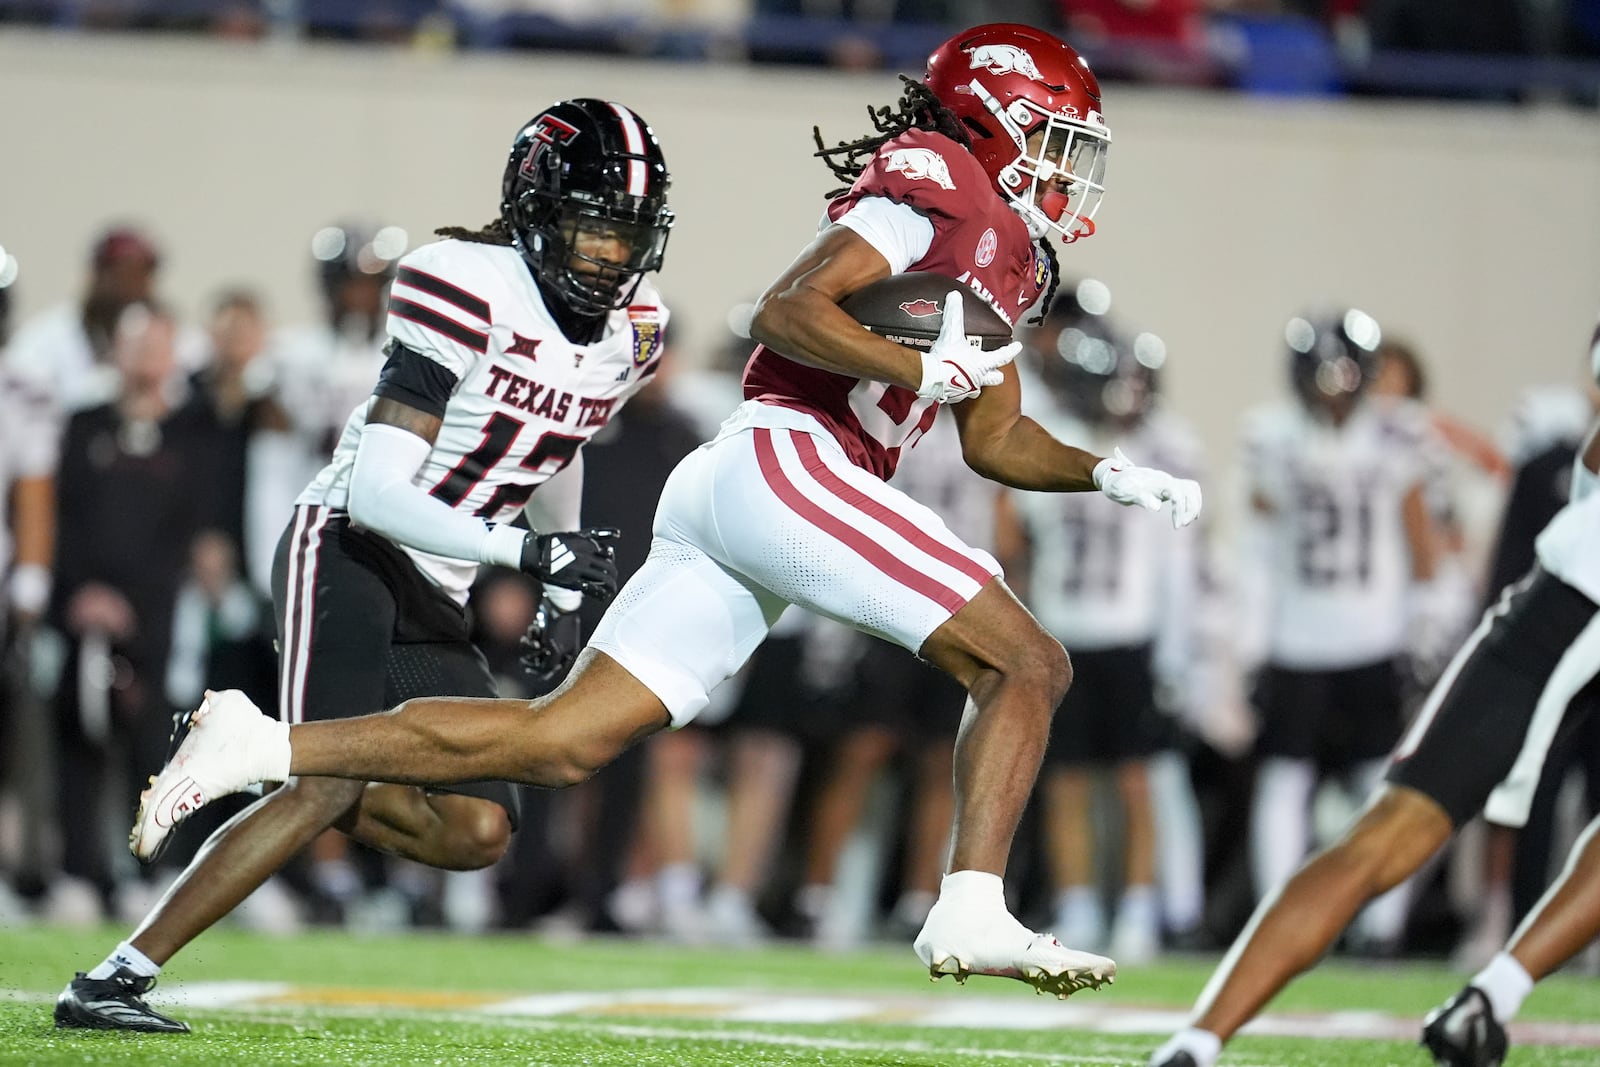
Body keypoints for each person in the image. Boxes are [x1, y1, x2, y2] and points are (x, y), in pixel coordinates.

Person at [131, 23, 1200, 1002]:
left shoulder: (1002, 256)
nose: (1067, 167)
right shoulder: (934, 187)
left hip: (764, 490)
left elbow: (995, 435)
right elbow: (788, 310)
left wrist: (1107, 471)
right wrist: (912, 359)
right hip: (793, 460)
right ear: (991, 125)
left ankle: (264, 742)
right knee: (1028, 660)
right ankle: (969, 901)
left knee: (557, 743)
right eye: (1053, 138)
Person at [55, 98, 675, 1032]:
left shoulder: (636, 328)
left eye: (626, 239)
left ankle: (258, 752)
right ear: (539, 209)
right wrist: (527, 550)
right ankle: (114, 976)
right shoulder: (462, 282)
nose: (608, 260)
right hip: (344, 544)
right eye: (592, 232)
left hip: (444, 581)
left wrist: (552, 587)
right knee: (329, 780)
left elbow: (561, 439)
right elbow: (379, 493)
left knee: (477, 829)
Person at [1146, 313, 1600, 1067]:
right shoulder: (1311, 438)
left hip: (1548, 601)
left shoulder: (1376, 440)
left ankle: (1489, 994)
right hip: (1572, 593)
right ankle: (1199, 1037)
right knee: (1385, 827)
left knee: (1378, 825)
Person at [1233, 308, 1451, 955]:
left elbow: (1422, 543)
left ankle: (1378, 924)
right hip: (1300, 635)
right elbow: (1259, 539)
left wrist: (1425, 622)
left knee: (1379, 783)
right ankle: (1273, 916)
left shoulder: (1393, 436)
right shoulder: (1276, 436)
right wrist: (1251, 635)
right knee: (1285, 777)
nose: (1332, 390)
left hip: (1370, 634)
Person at [999, 288, 1206, 963]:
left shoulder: (1155, 450)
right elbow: (1012, 543)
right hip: (1067, 634)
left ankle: (1138, 908)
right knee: (1066, 781)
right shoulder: (1052, 443)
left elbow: (1177, 566)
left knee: (1132, 780)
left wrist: (1176, 655)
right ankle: (1082, 904)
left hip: (1127, 636)